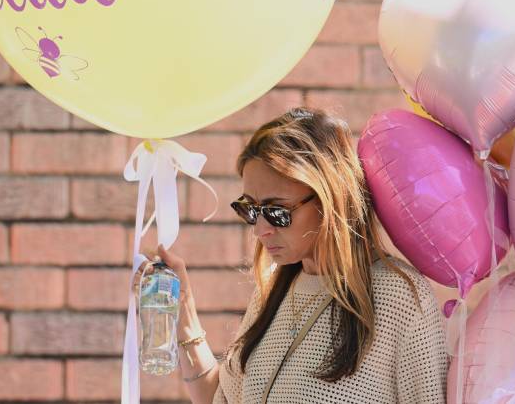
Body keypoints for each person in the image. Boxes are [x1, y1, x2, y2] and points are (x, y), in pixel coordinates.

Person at [159, 107, 448, 404]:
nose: (260, 230)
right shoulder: (273, 292)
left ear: (329, 197)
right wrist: (183, 313)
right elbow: (223, 400)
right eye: (251, 209)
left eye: (276, 212)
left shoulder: (399, 299)